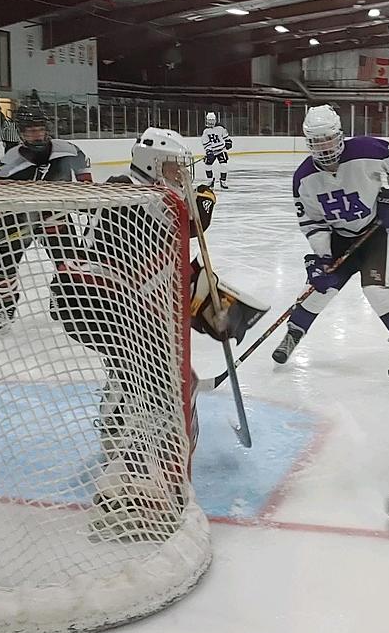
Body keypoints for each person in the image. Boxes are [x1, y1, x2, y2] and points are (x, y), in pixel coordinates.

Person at [49, 129, 267, 540]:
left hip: (108, 300)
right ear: (151, 166)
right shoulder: (131, 193)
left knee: (145, 374)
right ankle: (130, 488)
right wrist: (202, 202)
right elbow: (188, 225)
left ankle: (118, 438)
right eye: (172, 168)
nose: (178, 176)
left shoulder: (144, 195)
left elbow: (171, 264)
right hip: (99, 299)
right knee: (163, 385)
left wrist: (217, 308)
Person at [271, 104, 389, 384]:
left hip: (377, 231)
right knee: (319, 288)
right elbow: (313, 222)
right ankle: (293, 334)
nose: (324, 146)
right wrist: (323, 257)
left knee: (378, 290)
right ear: (308, 142)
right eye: (317, 141)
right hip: (339, 236)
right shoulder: (303, 179)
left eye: (328, 138)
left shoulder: (368, 150)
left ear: (340, 135)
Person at [0, 105, 92, 334]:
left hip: (55, 217)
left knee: (70, 264)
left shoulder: (68, 151)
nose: (36, 134)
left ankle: (61, 297)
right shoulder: (9, 161)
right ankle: (5, 312)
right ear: (21, 133)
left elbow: (85, 180)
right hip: (20, 220)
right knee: (4, 265)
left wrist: (86, 200)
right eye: (30, 130)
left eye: (39, 129)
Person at [201, 111, 233, 189]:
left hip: (221, 150)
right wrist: (209, 151)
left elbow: (225, 136)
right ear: (207, 120)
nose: (211, 122)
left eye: (212, 120)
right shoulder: (206, 131)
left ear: (215, 120)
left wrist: (228, 142)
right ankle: (210, 180)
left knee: (224, 165)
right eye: (209, 120)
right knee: (207, 165)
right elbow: (205, 142)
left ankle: (223, 181)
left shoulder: (220, 128)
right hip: (212, 151)